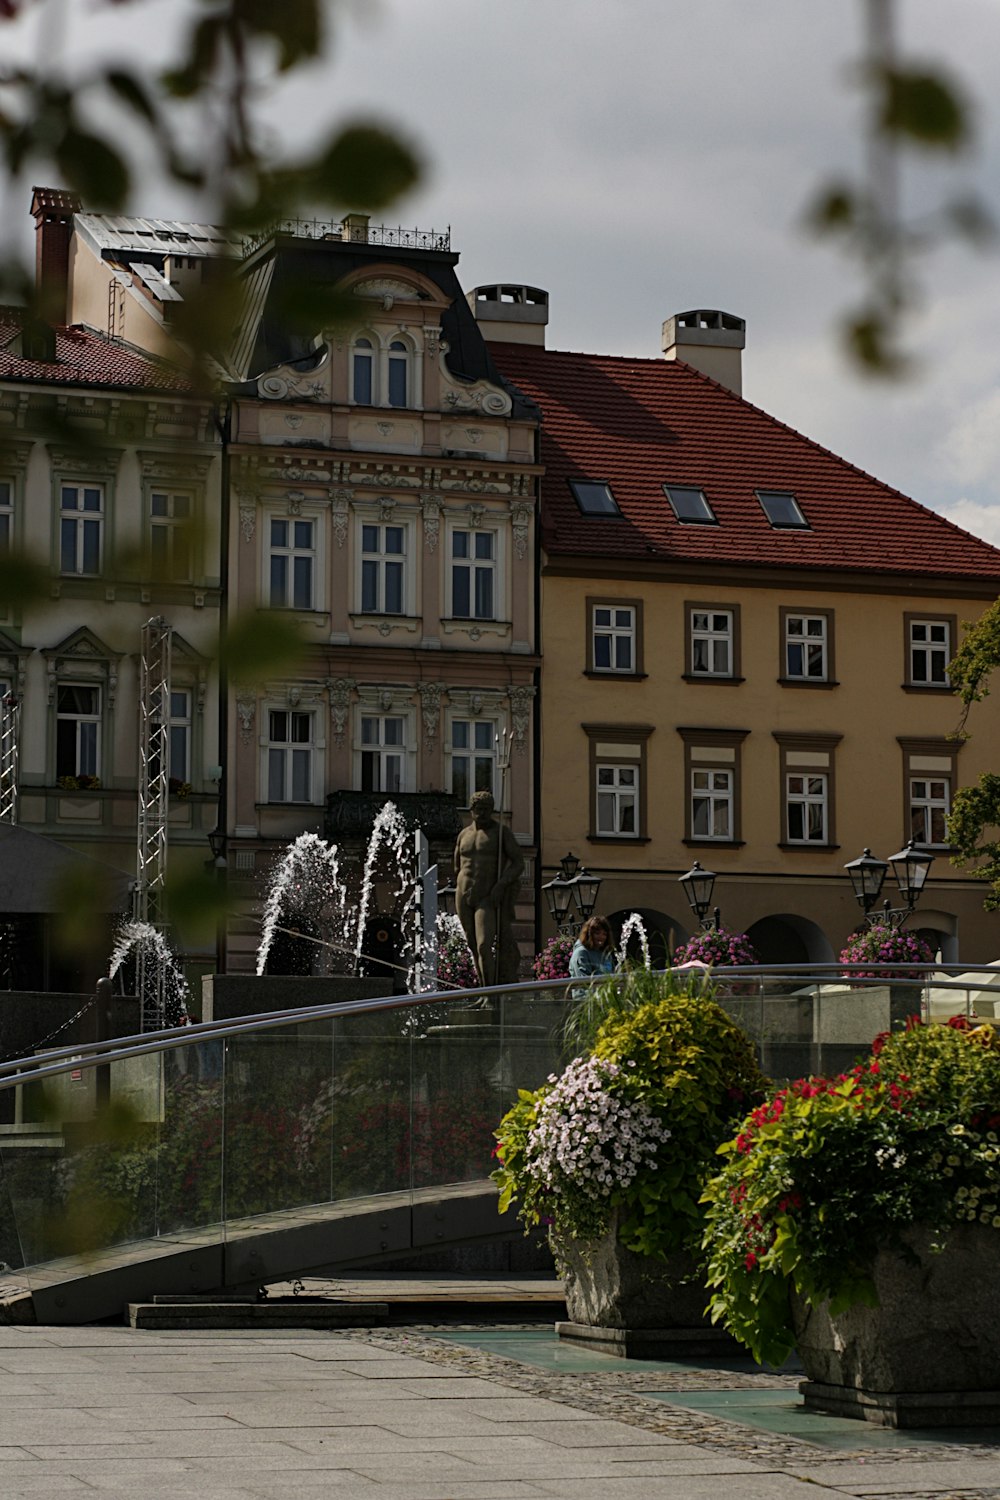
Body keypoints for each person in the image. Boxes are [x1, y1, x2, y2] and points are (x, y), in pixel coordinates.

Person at [453, 790, 525, 985]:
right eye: (478, 809)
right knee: (472, 945)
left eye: (486, 809)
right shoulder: (463, 835)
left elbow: (519, 863)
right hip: (463, 894)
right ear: (471, 810)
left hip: (487, 896)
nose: (482, 813)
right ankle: (484, 990)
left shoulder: (501, 833)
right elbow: (457, 866)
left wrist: (501, 885)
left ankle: (490, 994)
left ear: (492, 810)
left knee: (484, 944)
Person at [569, 914, 615, 999]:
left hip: (606, 1001)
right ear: (589, 934)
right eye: (597, 933)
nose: (601, 937)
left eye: (604, 934)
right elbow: (584, 984)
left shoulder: (606, 953)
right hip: (586, 1004)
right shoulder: (581, 953)